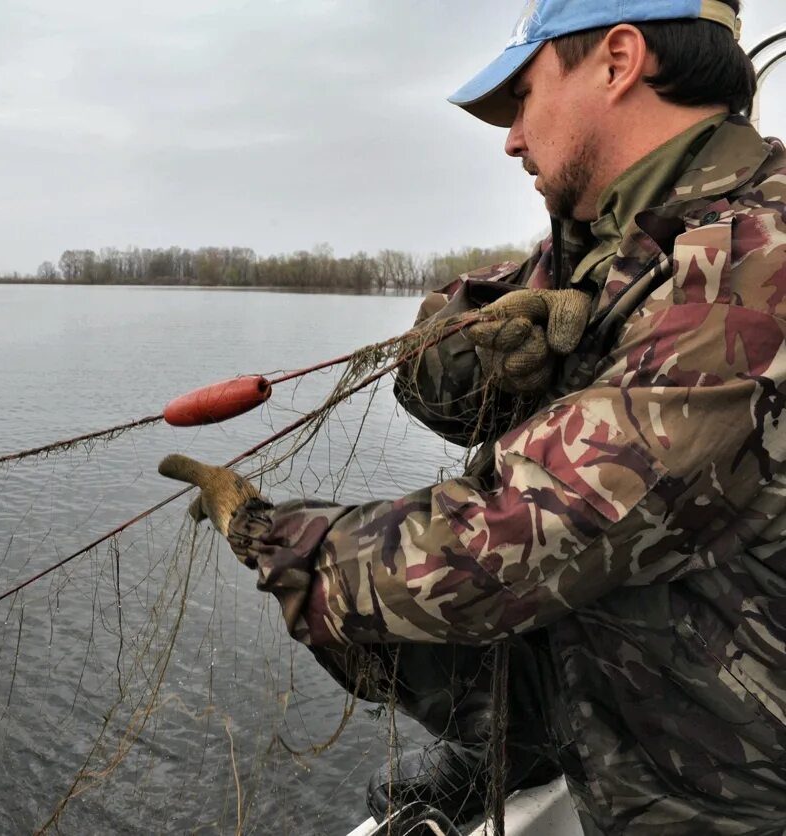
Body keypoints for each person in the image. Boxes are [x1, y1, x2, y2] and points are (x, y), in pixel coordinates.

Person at [160, 0, 786, 833]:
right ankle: (511, 749)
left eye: (523, 96)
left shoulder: (752, 267)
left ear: (618, 60)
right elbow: (431, 366)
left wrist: (269, 539)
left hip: (727, 794)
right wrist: (467, 354)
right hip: (622, 730)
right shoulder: (610, 240)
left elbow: (510, 546)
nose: (512, 138)